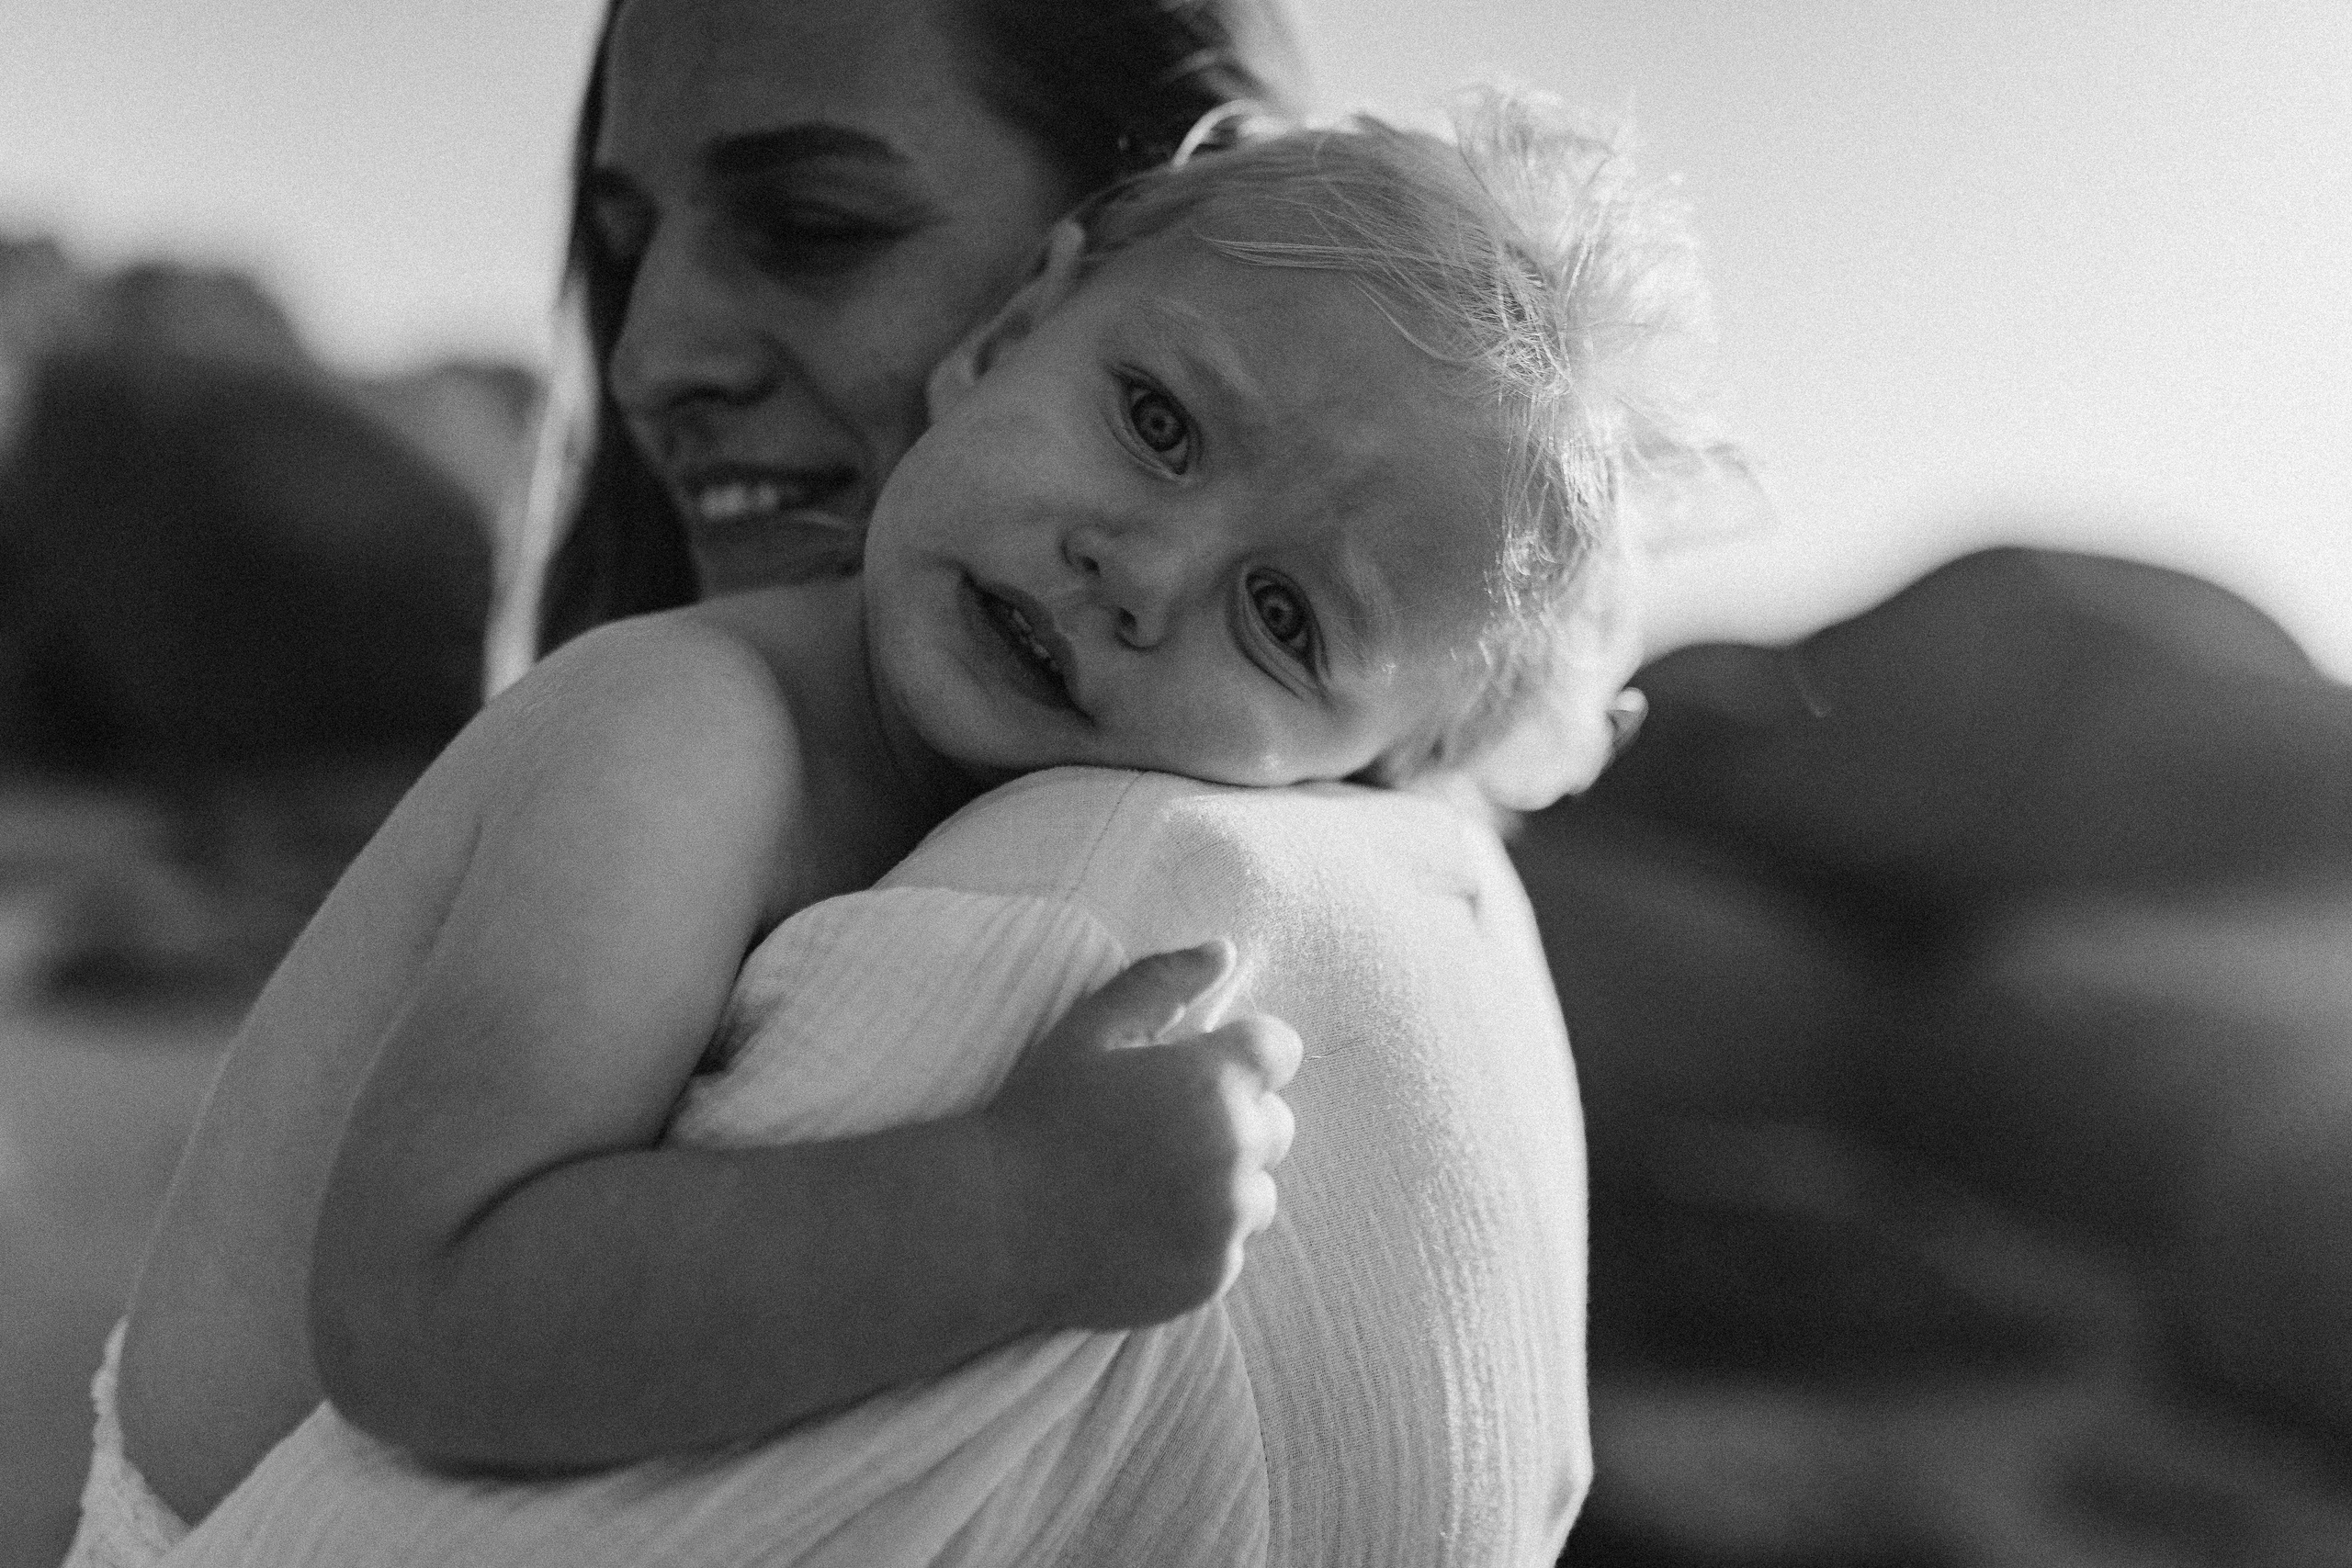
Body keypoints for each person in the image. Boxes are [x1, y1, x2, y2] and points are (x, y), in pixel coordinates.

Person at [86, 88, 1722, 1568]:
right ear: (1008, 334)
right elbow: (424, 1312)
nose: (1142, 574)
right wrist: (1012, 1209)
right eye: (1157, 422)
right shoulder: (686, 734)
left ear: (1361, 780)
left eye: (1283, 618)